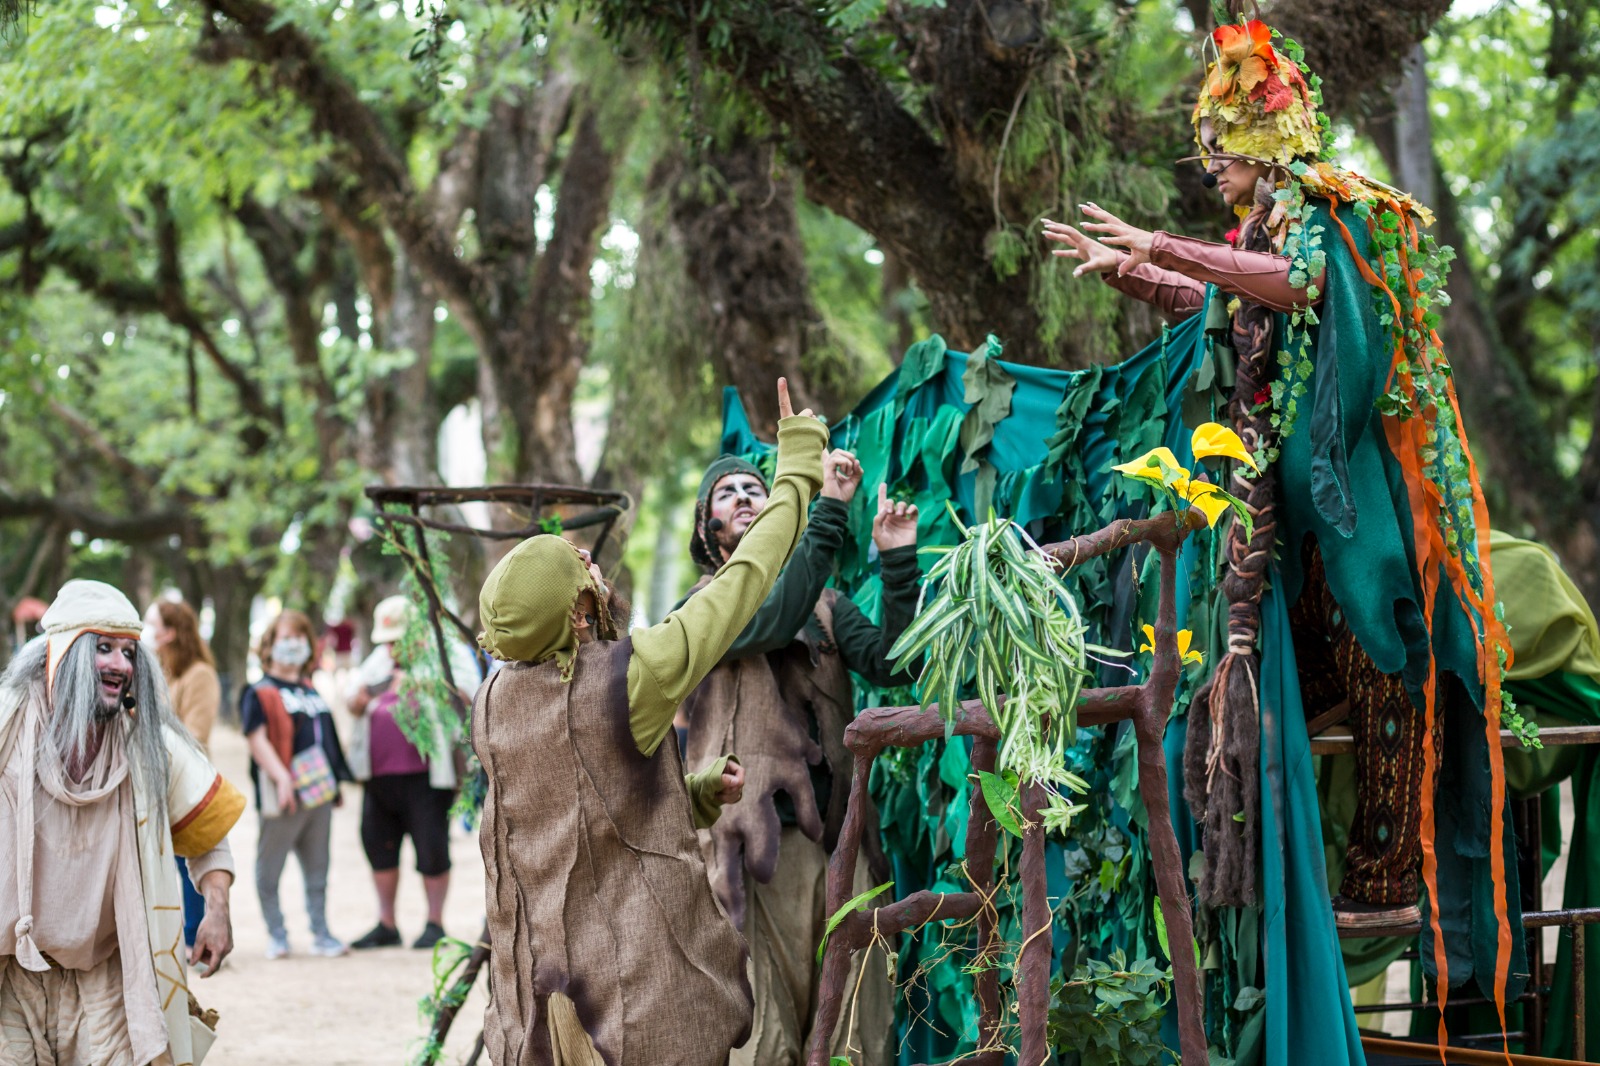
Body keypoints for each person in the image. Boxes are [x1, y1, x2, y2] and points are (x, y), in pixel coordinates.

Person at [1044, 13, 1515, 1006]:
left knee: (1382, 635)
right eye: (1203, 147)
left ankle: (1386, 880)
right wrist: (1134, 270)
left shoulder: (1312, 205)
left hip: (1353, 499)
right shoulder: (1256, 229)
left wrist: (1166, 246)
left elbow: (1297, 287)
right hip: (1281, 509)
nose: (1209, 161)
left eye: (1219, 144)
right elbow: (1233, 308)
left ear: (1263, 138)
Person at [472, 378, 824, 1066]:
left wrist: (688, 796)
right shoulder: (631, 675)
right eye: (580, 570)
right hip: (639, 1001)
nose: (594, 567)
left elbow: (572, 815)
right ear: (576, 613)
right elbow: (745, 578)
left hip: (541, 1012)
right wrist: (800, 466)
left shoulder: (493, 702)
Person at [679, 454, 920, 1066]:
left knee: (854, 1033)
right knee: (762, 1040)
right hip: (747, 860)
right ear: (706, 527)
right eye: (726, 493)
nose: (743, 497)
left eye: (757, 489)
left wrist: (896, 561)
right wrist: (829, 509)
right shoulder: (703, 607)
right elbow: (771, 620)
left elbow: (897, 664)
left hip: (838, 847)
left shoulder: (827, 606)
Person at [0, 580, 243, 1065]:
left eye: (129, 653)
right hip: (11, 978)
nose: (121, 666)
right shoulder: (5, 726)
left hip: (107, 976)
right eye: (104, 648)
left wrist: (216, 909)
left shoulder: (149, 745)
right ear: (61, 656)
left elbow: (208, 833)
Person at [241, 609, 353, 960]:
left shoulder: (310, 688)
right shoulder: (259, 691)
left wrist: (336, 781)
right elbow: (256, 738)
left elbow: (327, 738)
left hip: (318, 793)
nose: (293, 645)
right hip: (285, 793)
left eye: (300, 638)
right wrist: (281, 777)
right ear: (270, 645)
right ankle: (277, 934)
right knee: (269, 868)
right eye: (285, 638)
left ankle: (321, 933)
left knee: (318, 868)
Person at [348, 594, 455, 951]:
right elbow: (352, 699)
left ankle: (434, 922)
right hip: (379, 777)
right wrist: (362, 699)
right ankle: (386, 923)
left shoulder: (441, 660)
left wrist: (427, 690)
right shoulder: (375, 665)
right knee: (378, 846)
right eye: (387, 641)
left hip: (425, 777)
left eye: (397, 640)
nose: (391, 648)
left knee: (432, 848)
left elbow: (464, 699)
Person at [145, 598, 222, 951]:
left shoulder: (199, 675)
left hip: (187, 787)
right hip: (161, 784)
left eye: (152, 623)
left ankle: (198, 940)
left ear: (171, 632)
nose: (146, 630)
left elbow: (196, 735)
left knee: (194, 869)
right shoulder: (165, 674)